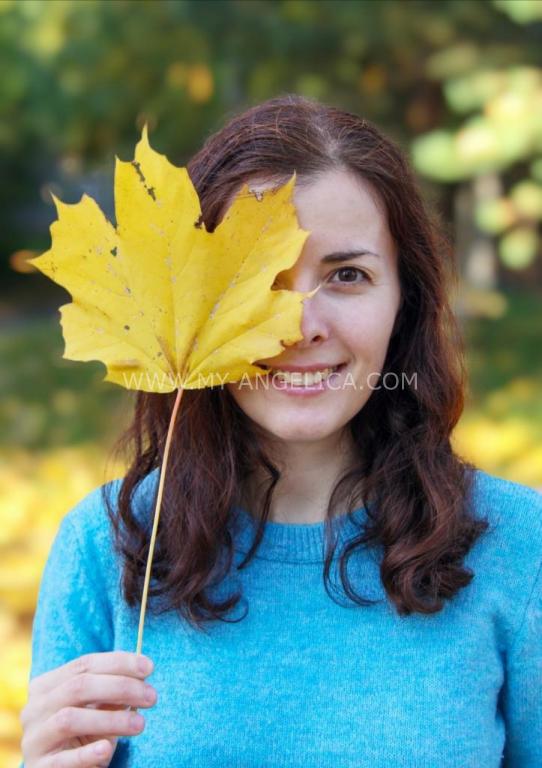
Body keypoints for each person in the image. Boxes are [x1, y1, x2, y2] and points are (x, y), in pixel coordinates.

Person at [20, 94, 542, 767]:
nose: (300, 327)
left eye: (347, 275)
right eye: (263, 279)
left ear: (403, 302)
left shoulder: (520, 547)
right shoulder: (108, 546)